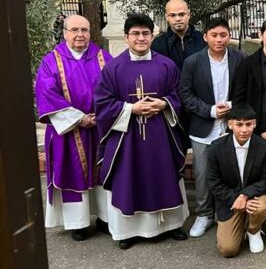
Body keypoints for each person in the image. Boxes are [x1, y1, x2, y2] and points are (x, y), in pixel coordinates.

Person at [94, 14, 189, 249]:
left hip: (160, 135)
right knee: (128, 177)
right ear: (126, 37)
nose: (140, 38)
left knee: (163, 175)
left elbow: (179, 96)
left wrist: (164, 104)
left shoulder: (166, 65)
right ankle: (127, 231)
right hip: (127, 138)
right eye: (135, 33)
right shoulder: (113, 68)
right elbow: (102, 103)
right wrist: (131, 108)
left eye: (145, 33)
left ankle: (170, 225)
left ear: (152, 35)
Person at [35, 15, 113, 241]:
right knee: (72, 174)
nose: (80, 34)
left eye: (85, 30)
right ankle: (77, 223)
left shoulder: (103, 57)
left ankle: (105, 219)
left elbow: (115, 87)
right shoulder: (51, 61)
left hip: (100, 127)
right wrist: (79, 119)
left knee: (103, 173)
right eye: (75, 30)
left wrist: (102, 114)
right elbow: (46, 93)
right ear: (65, 32)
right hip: (68, 131)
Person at [179, 17, 247, 238]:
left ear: (229, 36)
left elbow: (247, 91)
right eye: (214, 35)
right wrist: (209, 110)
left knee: (233, 171)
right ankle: (203, 214)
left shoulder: (240, 59)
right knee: (202, 174)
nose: (219, 39)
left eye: (223, 35)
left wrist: (231, 108)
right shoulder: (193, 62)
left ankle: (225, 212)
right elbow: (185, 95)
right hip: (203, 126)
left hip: (232, 126)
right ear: (205, 36)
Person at [206, 105, 266, 257]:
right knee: (228, 250)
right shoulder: (216, 148)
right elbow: (214, 183)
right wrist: (235, 198)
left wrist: (244, 195)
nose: (244, 130)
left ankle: (253, 230)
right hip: (230, 199)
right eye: (239, 124)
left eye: (248, 124)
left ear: (255, 124)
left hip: (254, 195)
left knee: (261, 208)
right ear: (230, 124)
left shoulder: (264, 147)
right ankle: (240, 222)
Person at [151, 0, 206, 70]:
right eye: (173, 15)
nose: (177, 19)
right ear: (167, 17)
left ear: (188, 15)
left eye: (181, 14)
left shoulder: (203, 40)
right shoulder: (158, 44)